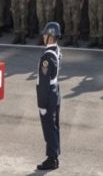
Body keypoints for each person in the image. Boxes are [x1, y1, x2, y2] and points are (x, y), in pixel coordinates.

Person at [36, 21, 62, 171]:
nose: (44, 36)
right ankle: (55, 154)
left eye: (46, 34)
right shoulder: (57, 51)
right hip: (55, 91)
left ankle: (52, 159)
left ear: (51, 36)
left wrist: (42, 104)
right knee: (54, 126)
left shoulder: (47, 57)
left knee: (49, 127)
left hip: (48, 94)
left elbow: (44, 83)